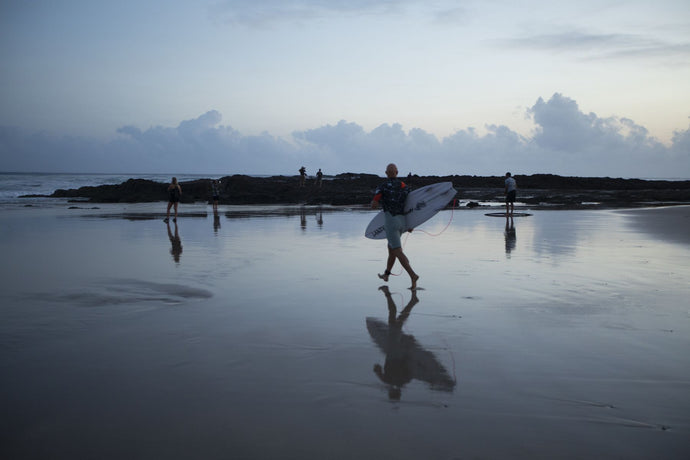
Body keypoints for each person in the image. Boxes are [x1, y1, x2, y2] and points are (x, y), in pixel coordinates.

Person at [371, 163, 419, 290]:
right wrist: (411, 224)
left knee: (397, 251)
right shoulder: (404, 186)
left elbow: (374, 204)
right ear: (397, 173)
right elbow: (412, 205)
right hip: (402, 221)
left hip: (391, 222)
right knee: (391, 248)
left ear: (386, 173)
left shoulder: (383, 186)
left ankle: (413, 275)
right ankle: (386, 274)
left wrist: (375, 203)